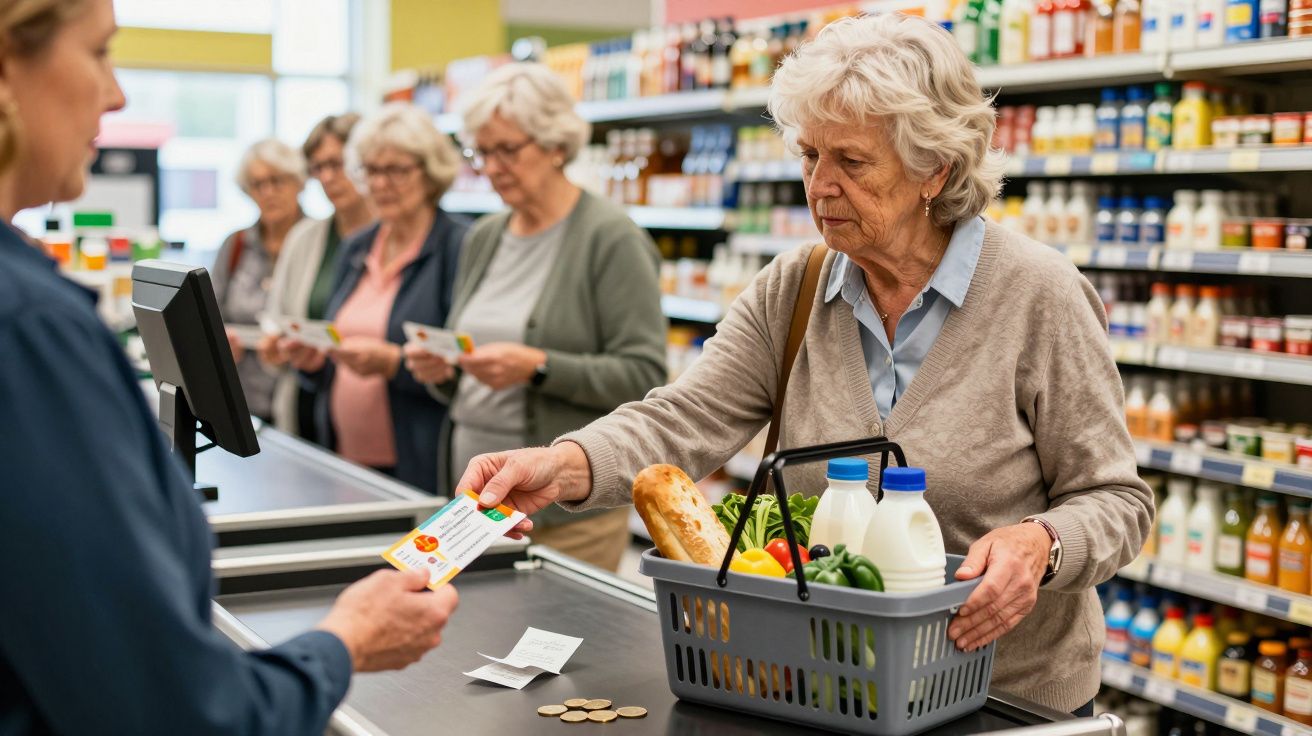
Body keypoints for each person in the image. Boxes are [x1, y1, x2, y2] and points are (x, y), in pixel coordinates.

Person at [455, 14, 1153, 716]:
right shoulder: (795, 288)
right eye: (809, 156)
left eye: (851, 162)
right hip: (828, 689)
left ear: (933, 170)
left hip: (1004, 699)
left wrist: (1042, 543)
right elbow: (681, 419)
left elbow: (1117, 502)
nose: (819, 186)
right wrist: (561, 463)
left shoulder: (1039, 294)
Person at [0, 0, 457, 733]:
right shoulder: (30, 329)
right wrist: (343, 641)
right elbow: (177, 712)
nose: (116, 95)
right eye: (99, 53)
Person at [404, 63, 666, 572]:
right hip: (474, 501)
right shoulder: (484, 237)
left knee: (555, 645)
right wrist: (445, 374)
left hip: (564, 513)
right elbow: (471, 376)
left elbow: (644, 376)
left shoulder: (610, 239)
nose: (493, 167)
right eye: (482, 152)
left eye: (508, 150)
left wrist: (538, 366)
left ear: (555, 145)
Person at [282, 102, 468, 495]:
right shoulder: (356, 248)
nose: (381, 184)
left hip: (417, 460)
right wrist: (312, 362)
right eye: (371, 170)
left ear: (430, 172)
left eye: (397, 170)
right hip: (343, 456)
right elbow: (335, 344)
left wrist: (393, 363)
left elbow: (464, 364)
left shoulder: (459, 247)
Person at [260, 113, 373, 440]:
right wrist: (276, 343)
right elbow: (278, 315)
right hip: (307, 404)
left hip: (369, 411)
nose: (328, 178)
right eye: (318, 168)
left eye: (337, 164)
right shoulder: (305, 238)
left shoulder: (391, 239)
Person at [213, 138, 307, 422]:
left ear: (298, 183)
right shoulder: (237, 244)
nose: (268, 192)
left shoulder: (316, 244)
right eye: (257, 185)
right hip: (239, 402)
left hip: (299, 402)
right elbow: (210, 315)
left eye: (277, 181)